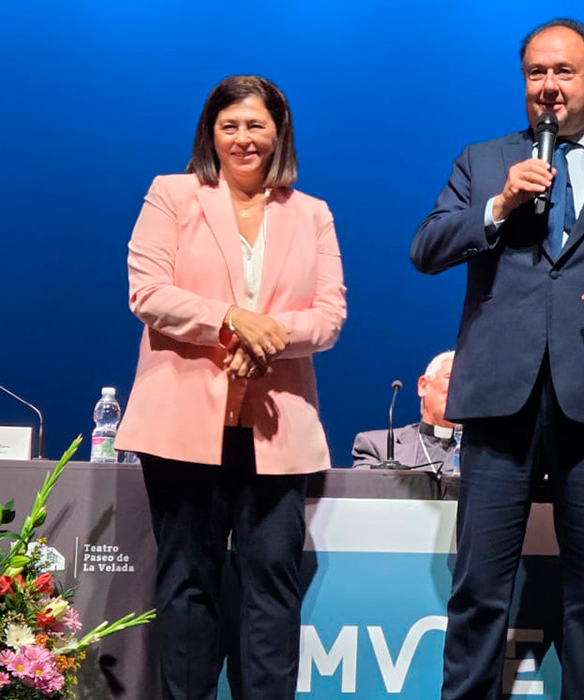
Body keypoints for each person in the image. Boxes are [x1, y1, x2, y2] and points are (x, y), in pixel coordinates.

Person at [410, 18, 584, 700]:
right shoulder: (484, 159)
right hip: (502, 401)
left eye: (564, 72)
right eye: (537, 73)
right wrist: (499, 204)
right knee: (479, 591)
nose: (550, 87)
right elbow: (427, 250)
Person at [114, 75, 346, 700]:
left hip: (275, 425)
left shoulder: (312, 213)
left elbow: (329, 316)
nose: (243, 138)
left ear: (279, 132)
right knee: (188, 582)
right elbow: (148, 293)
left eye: (256, 125)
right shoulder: (172, 194)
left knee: (272, 584)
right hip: (183, 425)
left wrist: (266, 337)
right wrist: (230, 321)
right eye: (230, 126)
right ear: (210, 133)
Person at [351, 350, 458, 472]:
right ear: (423, 386)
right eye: (453, 377)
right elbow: (362, 490)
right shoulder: (376, 446)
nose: (462, 386)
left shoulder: (483, 450)